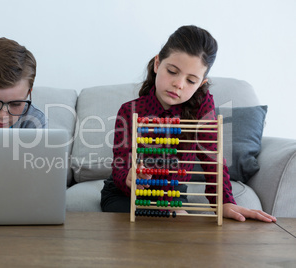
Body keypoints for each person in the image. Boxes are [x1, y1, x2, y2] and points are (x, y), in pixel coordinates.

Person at [101, 25, 276, 223]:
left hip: (172, 194)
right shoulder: (129, 111)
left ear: (201, 83)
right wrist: (128, 177)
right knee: (146, 227)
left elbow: (212, 157)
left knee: (177, 229)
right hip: (125, 195)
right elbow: (120, 164)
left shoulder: (201, 107)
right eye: (172, 71)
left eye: (191, 80)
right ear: (157, 63)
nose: (179, 84)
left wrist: (224, 201)